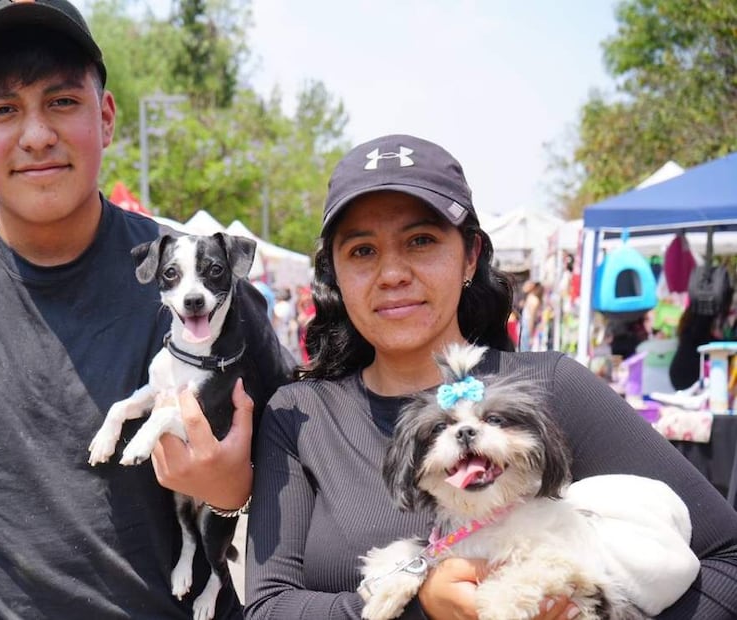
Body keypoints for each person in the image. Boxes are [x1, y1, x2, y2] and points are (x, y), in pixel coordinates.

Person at [0, 1, 287, 618]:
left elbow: (302, 454)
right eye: (1, 110)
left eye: (62, 102)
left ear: (106, 117)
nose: (36, 133)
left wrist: (236, 492)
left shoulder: (204, 284)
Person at [245, 134, 737, 619]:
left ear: (471, 255)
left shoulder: (552, 387)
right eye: (362, 251)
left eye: (421, 241)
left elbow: (727, 558)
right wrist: (421, 608)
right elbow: (268, 608)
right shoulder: (300, 415)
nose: (392, 273)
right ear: (333, 271)